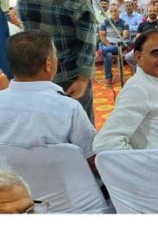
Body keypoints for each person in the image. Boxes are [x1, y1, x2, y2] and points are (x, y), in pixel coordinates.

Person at [17, 0, 98, 123]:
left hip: (37, 78)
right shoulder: (78, 3)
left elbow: (53, 3)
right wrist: (84, 78)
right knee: (79, 128)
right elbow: (87, 45)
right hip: (71, 79)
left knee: (48, 126)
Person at [0, 31, 95, 164]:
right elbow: (93, 160)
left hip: (10, 183)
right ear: (48, 63)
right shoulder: (69, 109)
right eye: (55, 54)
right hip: (65, 184)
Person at [93, 30, 158, 151]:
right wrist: (146, 167)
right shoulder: (138, 90)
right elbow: (106, 143)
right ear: (138, 57)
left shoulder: (155, 83)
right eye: (156, 54)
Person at [124, 5, 158, 73]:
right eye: (150, 11)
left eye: (154, 11)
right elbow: (138, 37)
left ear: (157, 13)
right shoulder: (142, 24)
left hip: (156, 48)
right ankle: (138, 73)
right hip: (143, 47)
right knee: (128, 57)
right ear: (147, 12)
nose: (152, 12)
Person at [98, 4, 130, 86]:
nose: (113, 13)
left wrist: (115, 45)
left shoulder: (124, 23)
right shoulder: (105, 22)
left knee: (126, 42)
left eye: (115, 11)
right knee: (108, 55)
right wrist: (109, 47)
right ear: (109, 12)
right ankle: (108, 78)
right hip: (106, 44)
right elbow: (102, 36)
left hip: (118, 44)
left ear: (119, 11)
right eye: (111, 11)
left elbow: (125, 36)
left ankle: (101, 51)